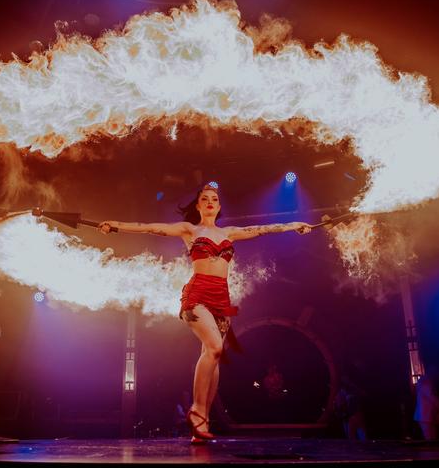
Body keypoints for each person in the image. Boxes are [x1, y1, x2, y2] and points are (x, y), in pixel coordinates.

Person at [98, 184, 314, 443]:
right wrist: (115, 224)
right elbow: (150, 226)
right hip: (197, 295)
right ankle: (197, 411)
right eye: (204, 199)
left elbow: (262, 229)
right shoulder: (189, 230)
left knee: (212, 357)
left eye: (214, 199)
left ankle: (202, 425)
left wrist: (295, 225)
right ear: (198, 206)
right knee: (214, 348)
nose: (210, 201)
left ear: (219, 207)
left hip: (221, 299)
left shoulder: (230, 233)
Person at [413, 368, 439, 441]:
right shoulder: (425, 382)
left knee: (433, 439)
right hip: (425, 415)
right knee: (431, 440)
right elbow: (432, 396)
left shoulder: (427, 381)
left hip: (427, 416)